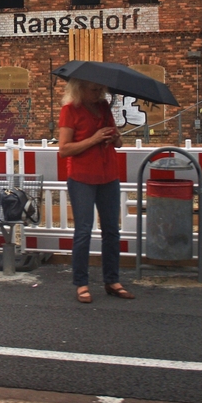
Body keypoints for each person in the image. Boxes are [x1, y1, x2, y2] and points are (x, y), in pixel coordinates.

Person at [57, 78, 135, 303]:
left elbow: (118, 143)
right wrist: (94, 139)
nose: (99, 93)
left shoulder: (103, 108)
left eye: (101, 89)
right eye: (94, 89)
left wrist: (116, 137)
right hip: (82, 177)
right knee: (83, 230)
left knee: (112, 230)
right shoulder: (69, 111)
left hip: (108, 174)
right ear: (79, 88)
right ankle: (81, 283)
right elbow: (64, 149)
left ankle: (112, 280)